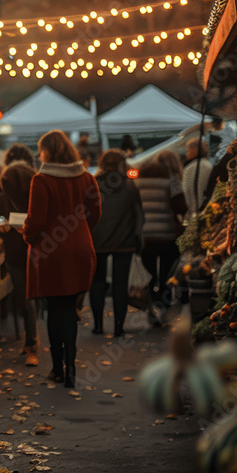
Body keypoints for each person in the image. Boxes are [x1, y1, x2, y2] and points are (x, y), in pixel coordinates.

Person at [21, 130, 101, 389]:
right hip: (80, 249)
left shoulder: (41, 180)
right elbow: (95, 212)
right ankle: (71, 367)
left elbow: (37, 221)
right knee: (69, 307)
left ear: (48, 151)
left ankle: (58, 368)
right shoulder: (87, 177)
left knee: (54, 309)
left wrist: (26, 235)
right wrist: (81, 232)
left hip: (51, 253)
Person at [0, 156, 39, 366]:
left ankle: (31, 344)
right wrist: (1, 226)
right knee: (26, 298)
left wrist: (28, 228)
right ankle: (30, 343)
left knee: (29, 299)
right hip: (14, 256)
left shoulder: (36, 197)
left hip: (35, 253)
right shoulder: (2, 198)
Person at [90, 150, 144, 337]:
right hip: (125, 241)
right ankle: (119, 327)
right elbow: (138, 215)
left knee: (97, 283)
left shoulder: (94, 185)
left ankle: (98, 325)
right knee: (120, 284)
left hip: (97, 242)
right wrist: (138, 238)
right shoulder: (129, 186)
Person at [136, 155, 187, 324]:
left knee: (150, 274)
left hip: (145, 237)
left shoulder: (138, 183)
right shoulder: (171, 181)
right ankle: (163, 306)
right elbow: (181, 206)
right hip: (166, 235)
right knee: (166, 273)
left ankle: (151, 308)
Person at [183, 139, 213, 214]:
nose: (186, 154)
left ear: (195, 150)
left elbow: (187, 191)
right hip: (205, 207)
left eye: (188, 150)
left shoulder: (193, 167)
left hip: (195, 211)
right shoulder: (207, 164)